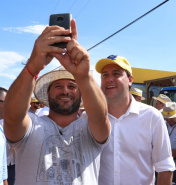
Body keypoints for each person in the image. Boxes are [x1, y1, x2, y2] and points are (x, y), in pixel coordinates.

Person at [3, 18, 110, 185]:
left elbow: (100, 116)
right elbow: (11, 116)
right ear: (48, 93)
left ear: (82, 94)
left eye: (72, 86)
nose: (65, 91)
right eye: (58, 86)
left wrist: (84, 76)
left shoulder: (89, 129)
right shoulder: (31, 126)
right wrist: (33, 66)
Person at [95, 55, 175, 185]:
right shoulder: (89, 118)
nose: (109, 79)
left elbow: (165, 168)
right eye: (104, 75)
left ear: (130, 80)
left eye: (116, 74)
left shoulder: (151, 117)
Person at [162, 102, 176, 185]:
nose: (169, 119)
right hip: (164, 166)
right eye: (167, 117)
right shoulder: (162, 125)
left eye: (171, 117)